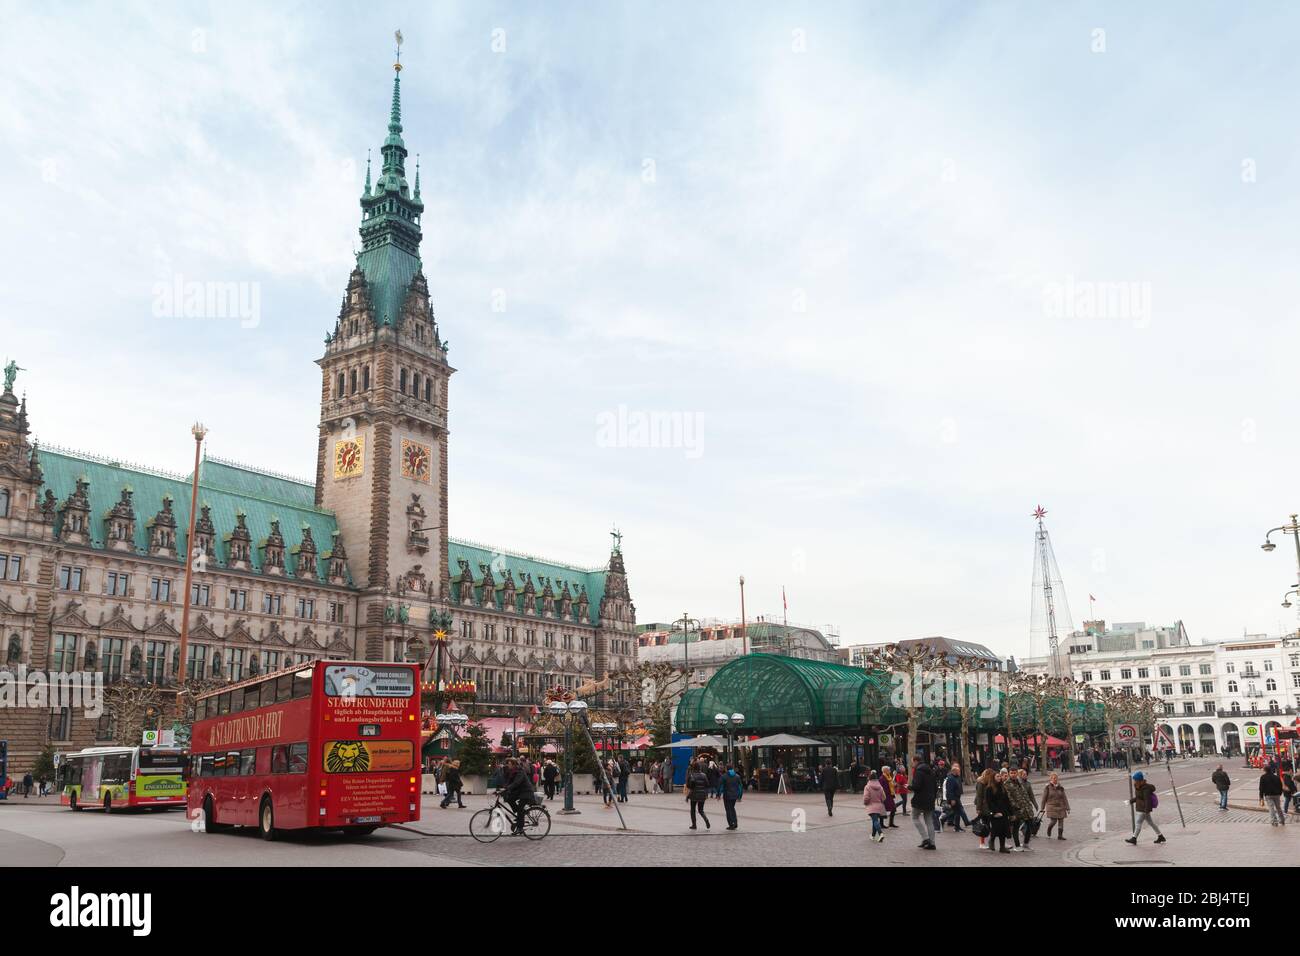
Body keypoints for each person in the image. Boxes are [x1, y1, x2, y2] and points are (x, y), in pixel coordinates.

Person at [1125, 771, 1166, 844]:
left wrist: (1146, 810)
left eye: (1135, 780)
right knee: (1151, 823)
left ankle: (1134, 838)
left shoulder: (1145, 788)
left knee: (1138, 823)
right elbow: (1138, 797)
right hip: (1141, 808)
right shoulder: (1138, 786)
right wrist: (1130, 801)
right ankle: (1160, 836)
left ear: (1138, 780)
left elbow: (1147, 800)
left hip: (1143, 809)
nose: (1134, 781)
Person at [500, 758, 536, 834]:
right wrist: (502, 789)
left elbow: (516, 783)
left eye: (509, 764)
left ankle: (520, 828)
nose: (508, 765)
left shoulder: (520, 771)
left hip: (526, 792)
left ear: (514, 765)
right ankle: (520, 815)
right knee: (509, 799)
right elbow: (509, 782)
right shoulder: (512, 772)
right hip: (519, 792)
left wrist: (508, 788)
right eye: (507, 764)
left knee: (520, 809)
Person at [909, 756, 937, 850]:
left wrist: (909, 787)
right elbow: (935, 786)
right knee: (929, 821)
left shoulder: (918, 772)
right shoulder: (931, 771)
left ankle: (925, 838)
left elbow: (917, 786)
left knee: (914, 817)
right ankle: (932, 843)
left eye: (912, 762)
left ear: (916, 761)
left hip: (920, 799)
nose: (912, 764)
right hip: (930, 799)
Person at [987, 770, 1013, 853]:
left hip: (1003, 811)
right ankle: (991, 841)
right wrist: (995, 812)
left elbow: (1007, 800)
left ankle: (1002, 847)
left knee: (1003, 830)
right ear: (993, 778)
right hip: (995, 812)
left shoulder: (1002, 787)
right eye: (997, 776)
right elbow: (989, 802)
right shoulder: (989, 788)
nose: (999, 778)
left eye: (999, 776)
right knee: (995, 829)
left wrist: (1011, 812)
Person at [941, 763, 969, 832]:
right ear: (954, 772)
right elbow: (949, 790)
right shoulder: (951, 779)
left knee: (955, 812)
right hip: (954, 798)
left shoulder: (955, 778)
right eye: (958, 771)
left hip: (956, 797)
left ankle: (953, 825)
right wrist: (952, 799)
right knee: (957, 812)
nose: (959, 773)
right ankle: (956, 827)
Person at [1042, 772, 1069, 840]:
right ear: (1050, 779)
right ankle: (1049, 828)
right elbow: (1044, 798)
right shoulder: (1047, 787)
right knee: (1053, 821)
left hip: (1061, 806)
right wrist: (1042, 808)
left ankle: (1060, 836)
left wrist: (1067, 808)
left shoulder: (1060, 787)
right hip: (1051, 806)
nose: (1055, 779)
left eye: (1056, 778)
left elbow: (1064, 798)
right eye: (1053, 778)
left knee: (1061, 821)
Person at [863, 769, 888, 843]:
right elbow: (884, 797)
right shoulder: (880, 787)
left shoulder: (867, 787)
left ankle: (880, 833)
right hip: (879, 806)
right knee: (875, 820)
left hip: (871, 806)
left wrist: (865, 803)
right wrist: (880, 801)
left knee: (875, 821)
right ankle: (873, 835)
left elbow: (866, 797)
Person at [686, 760, 711, 830]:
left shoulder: (691, 775)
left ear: (693, 768)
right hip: (702, 795)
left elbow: (688, 786)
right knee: (701, 810)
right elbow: (707, 784)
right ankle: (706, 819)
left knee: (693, 810)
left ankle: (694, 825)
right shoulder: (704, 775)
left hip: (693, 794)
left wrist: (687, 796)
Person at [974, 768, 995, 850]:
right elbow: (979, 796)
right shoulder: (981, 783)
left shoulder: (990, 783)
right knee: (984, 825)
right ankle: (982, 843)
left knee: (990, 824)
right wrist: (978, 808)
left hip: (988, 806)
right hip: (983, 807)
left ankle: (990, 841)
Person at [722, 764, 743, 830]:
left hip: (727, 796)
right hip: (735, 795)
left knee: (728, 810)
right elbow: (740, 787)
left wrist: (718, 794)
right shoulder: (737, 776)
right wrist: (740, 796)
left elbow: (721, 786)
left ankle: (731, 824)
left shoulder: (724, 776)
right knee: (732, 808)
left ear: (726, 769)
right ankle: (735, 822)